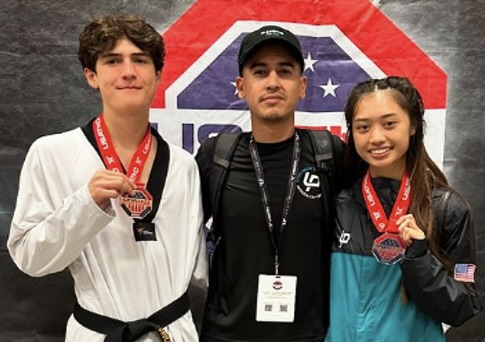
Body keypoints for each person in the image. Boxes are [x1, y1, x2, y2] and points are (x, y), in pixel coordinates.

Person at [8, 14, 207, 342]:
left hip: (171, 332)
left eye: (140, 60)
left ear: (158, 75)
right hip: (98, 333)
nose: (128, 72)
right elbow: (30, 258)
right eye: (113, 61)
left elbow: (200, 266)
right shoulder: (53, 153)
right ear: (91, 76)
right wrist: (85, 204)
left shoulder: (184, 165)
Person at [195, 25, 345, 342]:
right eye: (260, 72)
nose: (273, 82)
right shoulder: (216, 157)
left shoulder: (328, 154)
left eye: (285, 71)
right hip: (229, 335)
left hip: (310, 335)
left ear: (302, 85)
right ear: (241, 86)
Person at [326, 76, 482, 342]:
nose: (376, 137)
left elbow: (463, 307)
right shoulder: (338, 202)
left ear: (412, 125)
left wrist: (419, 258)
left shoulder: (447, 209)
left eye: (389, 124)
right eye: (363, 127)